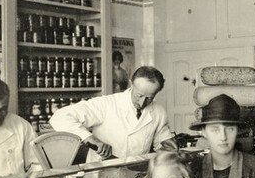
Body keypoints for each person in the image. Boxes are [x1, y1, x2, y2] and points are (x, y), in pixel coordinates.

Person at [49, 65, 178, 162]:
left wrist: (168, 147)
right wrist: (92, 140)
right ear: (131, 84)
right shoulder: (106, 104)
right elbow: (60, 117)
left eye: (149, 98)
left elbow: (164, 143)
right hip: (101, 175)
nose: (142, 102)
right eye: (139, 95)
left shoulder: (158, 111)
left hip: (136, 174)